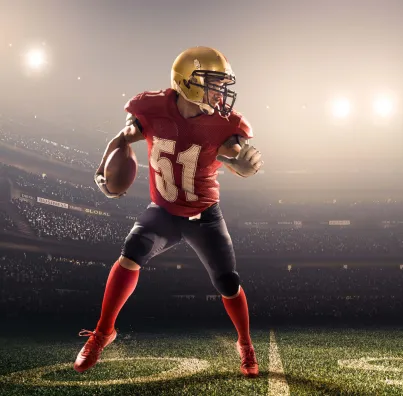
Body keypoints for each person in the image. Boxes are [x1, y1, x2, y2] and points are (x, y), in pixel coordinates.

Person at [73, 46, 263, 378]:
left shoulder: (222, 123)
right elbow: (125, 135)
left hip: (204, 216)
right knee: (129, 254)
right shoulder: (151, 106)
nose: (220, 92)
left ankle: (244, 343)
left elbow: (233, 156)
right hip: (162, 210)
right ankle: (103, 332)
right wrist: (106, 166)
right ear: (187, 82)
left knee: (227, 282)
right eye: (213, 83)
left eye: (222, 84)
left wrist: (243, 165)